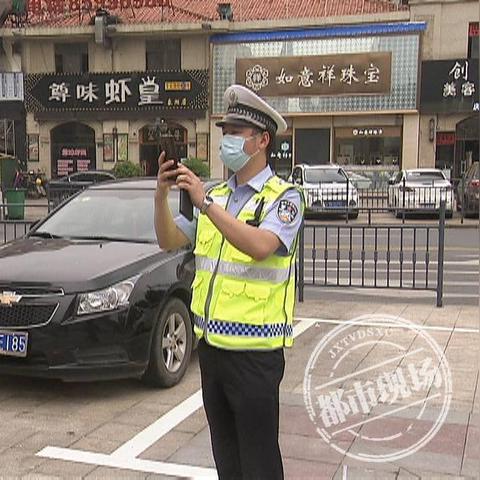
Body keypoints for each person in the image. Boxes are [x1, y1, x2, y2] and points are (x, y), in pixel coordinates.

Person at [154, 84, 304, 480]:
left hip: (256, 355)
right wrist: (160, 195)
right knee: (227, 459)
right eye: (225, 131)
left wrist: (205, 203)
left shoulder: (283, 198)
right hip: (213, 352)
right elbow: (169, 239)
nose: (228, 140)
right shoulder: (218, 193)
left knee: (259, 463)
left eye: (237, 133)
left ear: (262, 141)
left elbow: (260, 246)